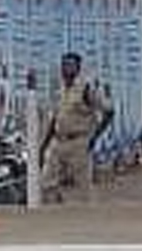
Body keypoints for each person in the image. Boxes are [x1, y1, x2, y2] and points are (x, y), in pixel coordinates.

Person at [39, 52, 114, 203]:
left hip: (78, 143)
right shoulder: (60, 90)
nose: (65, 69)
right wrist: (43, 145)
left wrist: (94, 138)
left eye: (70, 65)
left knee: (82, 188)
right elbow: (55, 118)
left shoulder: (86, 89)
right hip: (58, 142)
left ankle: (87, 215)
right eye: (64, 65)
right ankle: (56, 212)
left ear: (78, 68)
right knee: (47, 184)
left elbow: (109, 112)